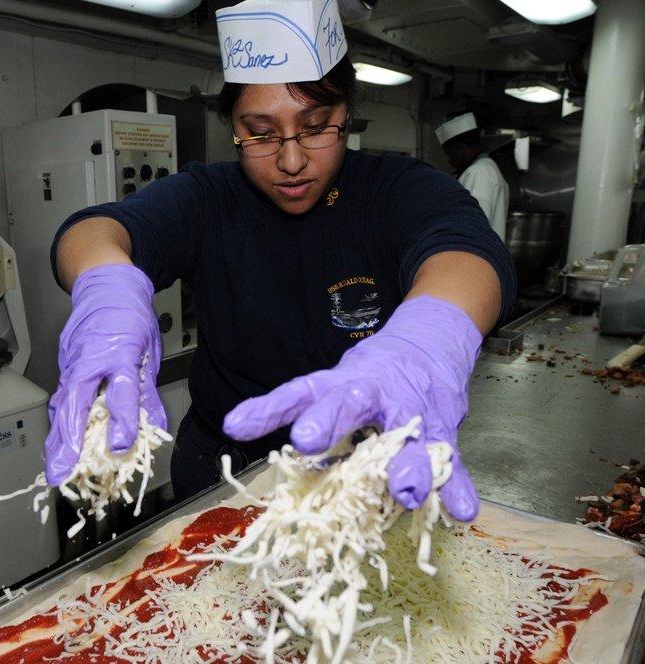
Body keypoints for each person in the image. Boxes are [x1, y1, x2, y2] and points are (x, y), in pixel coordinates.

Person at [43, 0, 516, 523]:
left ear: (347, 114)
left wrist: (428, 336)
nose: (291, 161)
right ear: (232, 125)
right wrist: (106, 287)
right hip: (223, 477)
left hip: (358, 483)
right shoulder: (209, 198)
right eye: (261, 132)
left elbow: (466, 251)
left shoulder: (396, 190)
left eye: (316, 127)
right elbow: (93, 230)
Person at [436, 112, 510, 242]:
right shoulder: (488, 166)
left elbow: (472, 225)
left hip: (477, 250)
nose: (449, 160)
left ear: (458, 147)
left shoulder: (478, 172)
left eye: (448, 153)